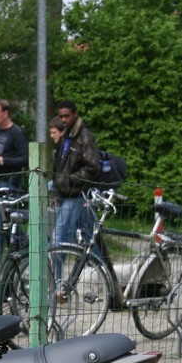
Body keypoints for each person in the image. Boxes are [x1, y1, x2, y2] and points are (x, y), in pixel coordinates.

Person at [0, 99, 29, 264]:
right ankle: (27, 248)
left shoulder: (17, 134)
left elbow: (24, 159)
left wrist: (2, 161)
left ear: (5, 113)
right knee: (8, 224)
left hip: (9, 185)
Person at [52, 100, 101, 251]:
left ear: (75, 114)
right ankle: (98, 263)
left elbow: (93, 166)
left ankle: (56, 269)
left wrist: (70, 179)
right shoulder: (65, 136)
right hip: (64, 193)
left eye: (66, 116)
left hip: (76, 194)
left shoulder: (84, 137)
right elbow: (58, 166)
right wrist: (56, 191)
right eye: (61, 116)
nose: (63, 119)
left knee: (58, 236)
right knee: (81, 235)